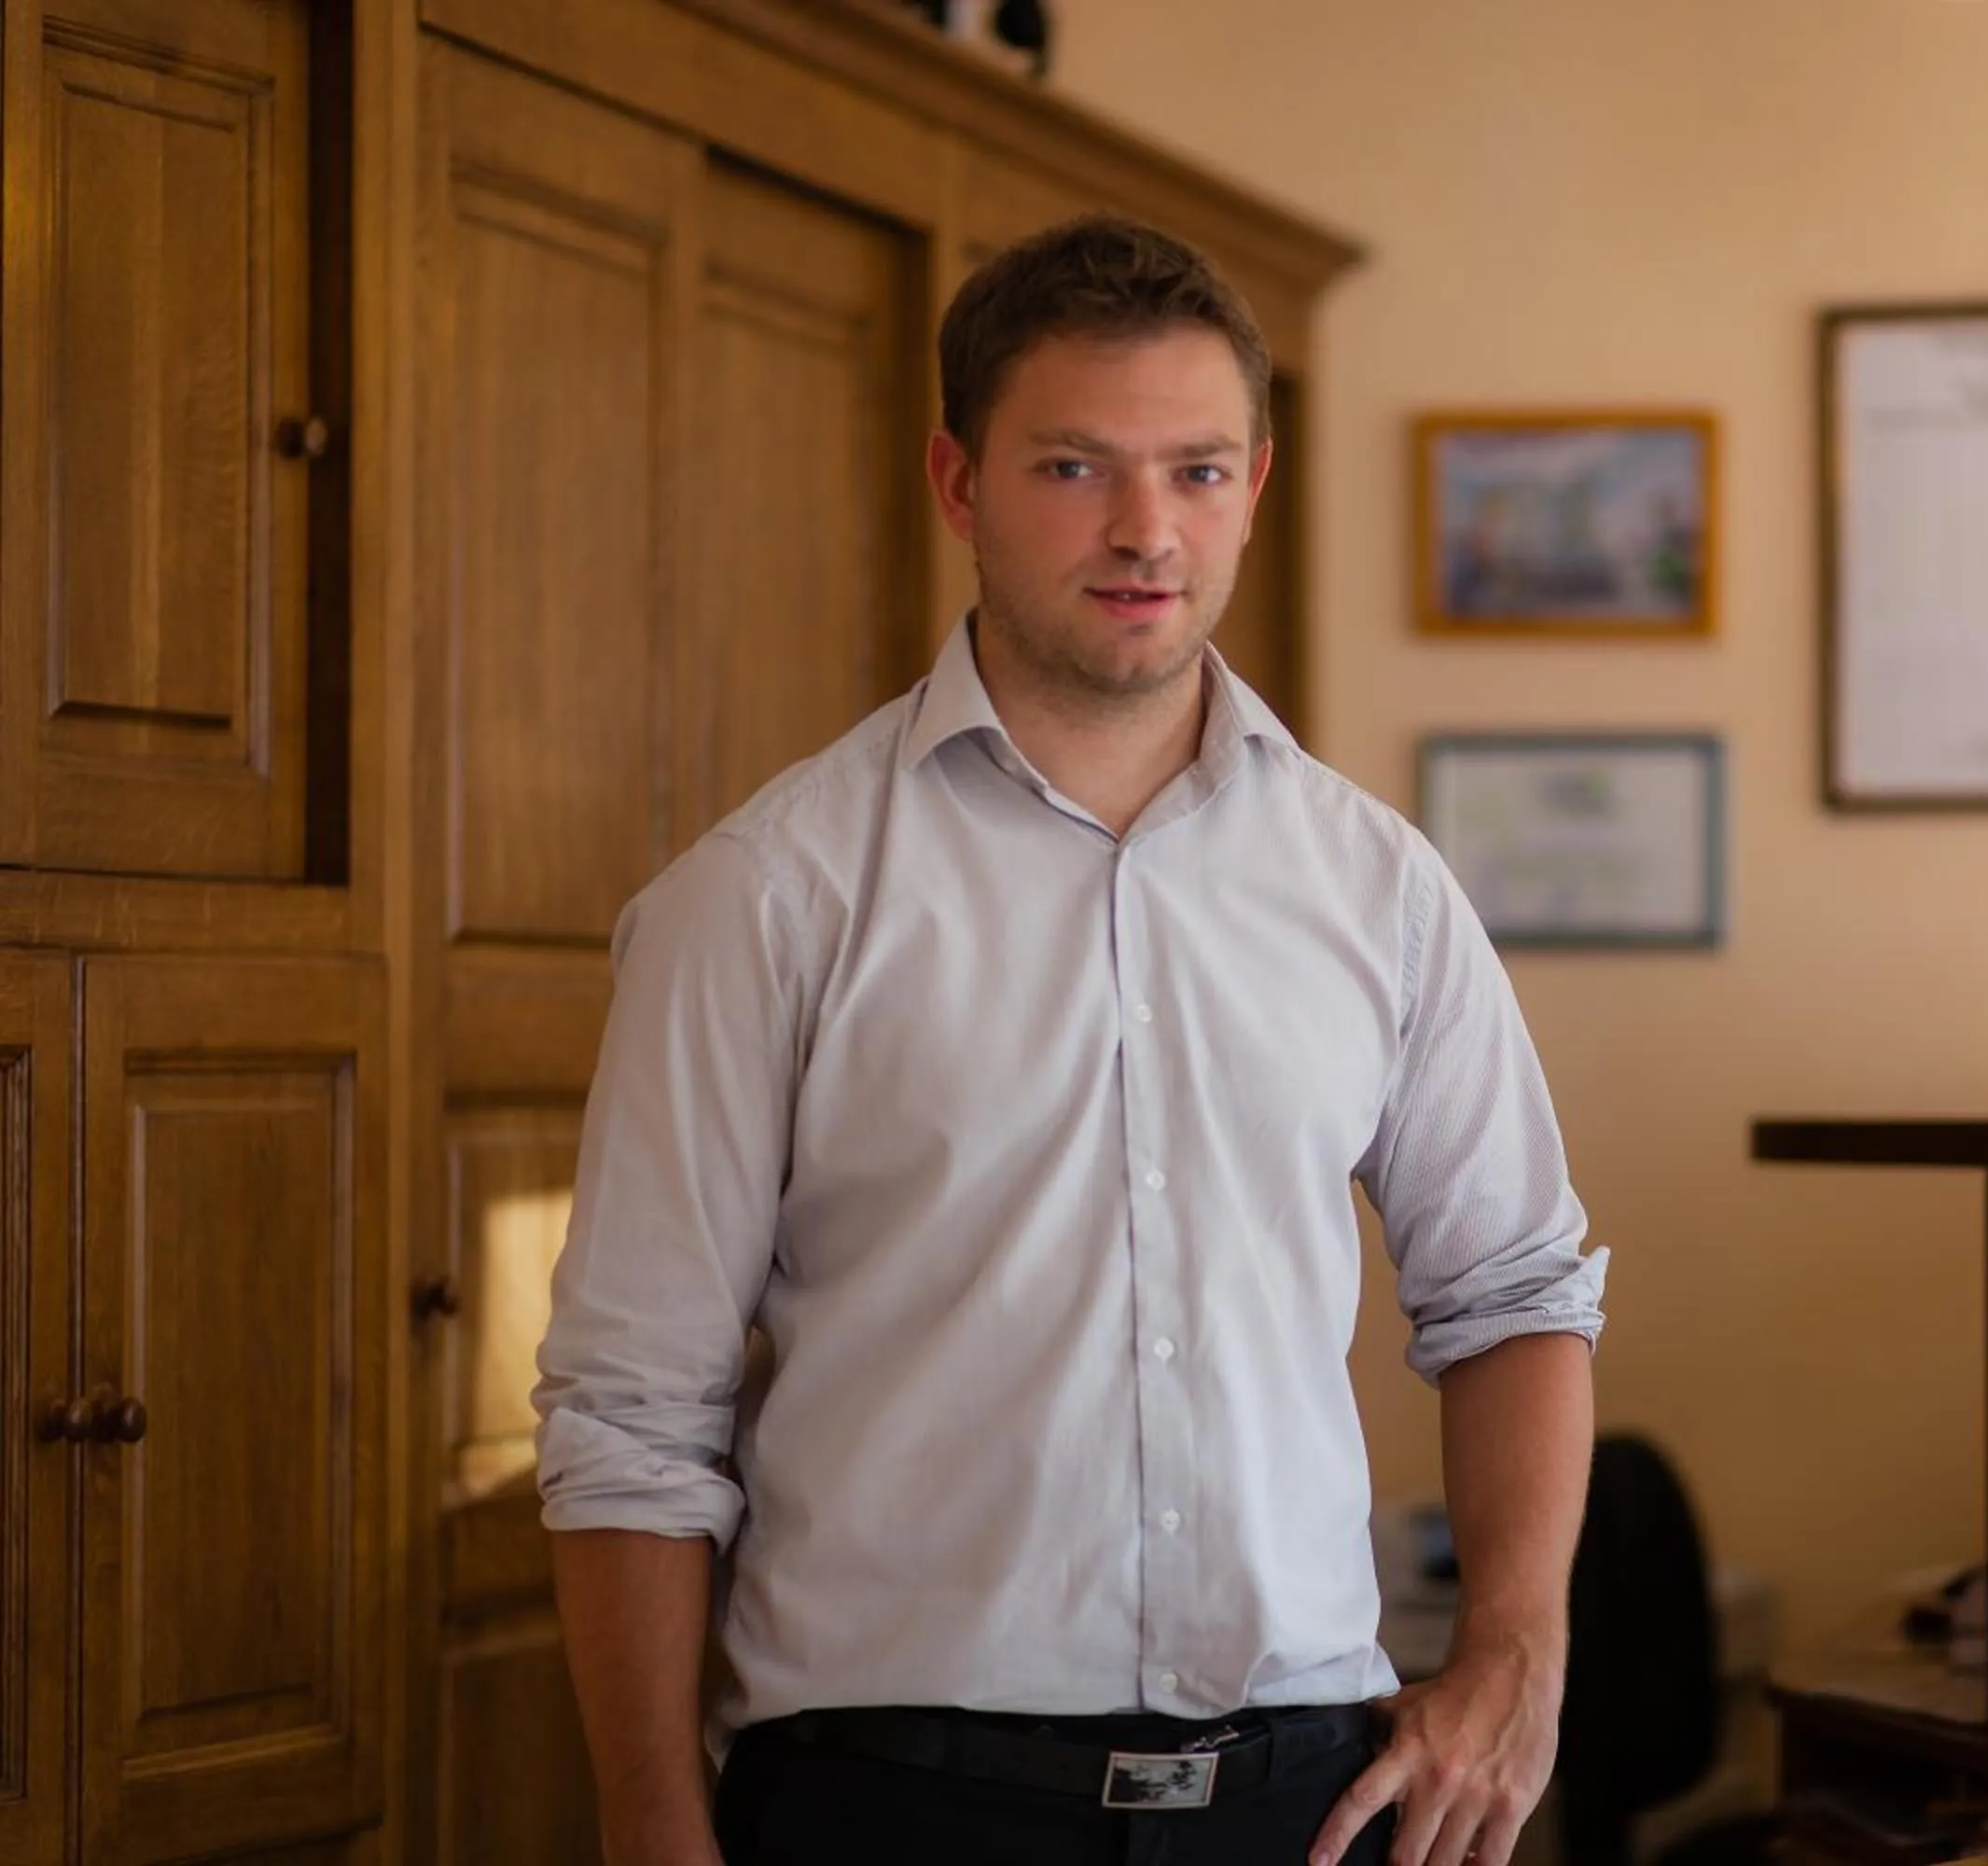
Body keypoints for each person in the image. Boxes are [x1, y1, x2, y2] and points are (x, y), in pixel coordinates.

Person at [533, 214, 1608, 1866]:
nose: (1143, 530)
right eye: (1072, 469)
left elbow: (1516, 1292)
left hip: (1303, 1802)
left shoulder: (1379, 888)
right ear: (959, 485)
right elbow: (632, 1415)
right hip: (886, 1802)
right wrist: (649, 1826)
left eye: (1195, 470)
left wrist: (1517, 1656)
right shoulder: (764, 898)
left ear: (1257, 482)